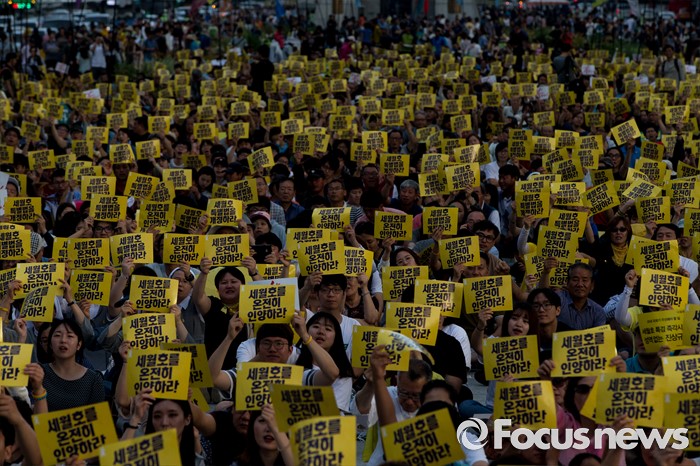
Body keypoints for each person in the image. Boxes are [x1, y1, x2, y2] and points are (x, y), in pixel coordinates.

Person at [35, 319, 105, 412]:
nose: (63, 340)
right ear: (50, 344)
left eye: (70, 336)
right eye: (57, 335)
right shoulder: (39, 373)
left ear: (79, 345)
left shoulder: (93, 379)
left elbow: (98, 416)